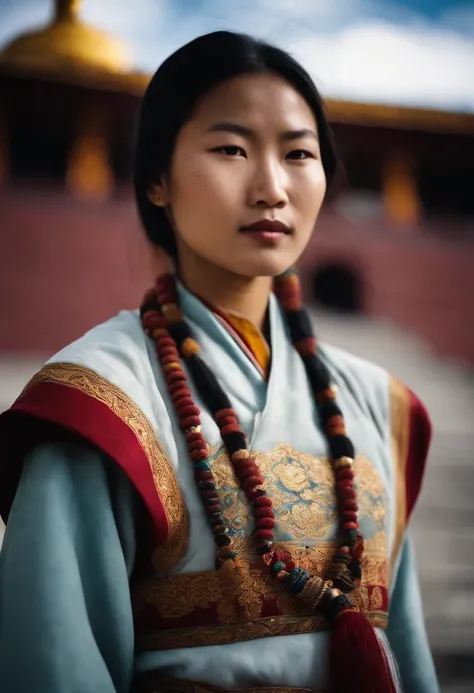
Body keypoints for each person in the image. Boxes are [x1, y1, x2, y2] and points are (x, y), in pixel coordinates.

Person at [0, 31, 439, 693]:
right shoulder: (101, 399)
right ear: (156, 179)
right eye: (231, 149)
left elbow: (402, 649)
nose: (271, 187)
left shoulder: (378, 401)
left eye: (298, 153)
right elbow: (55, 659)